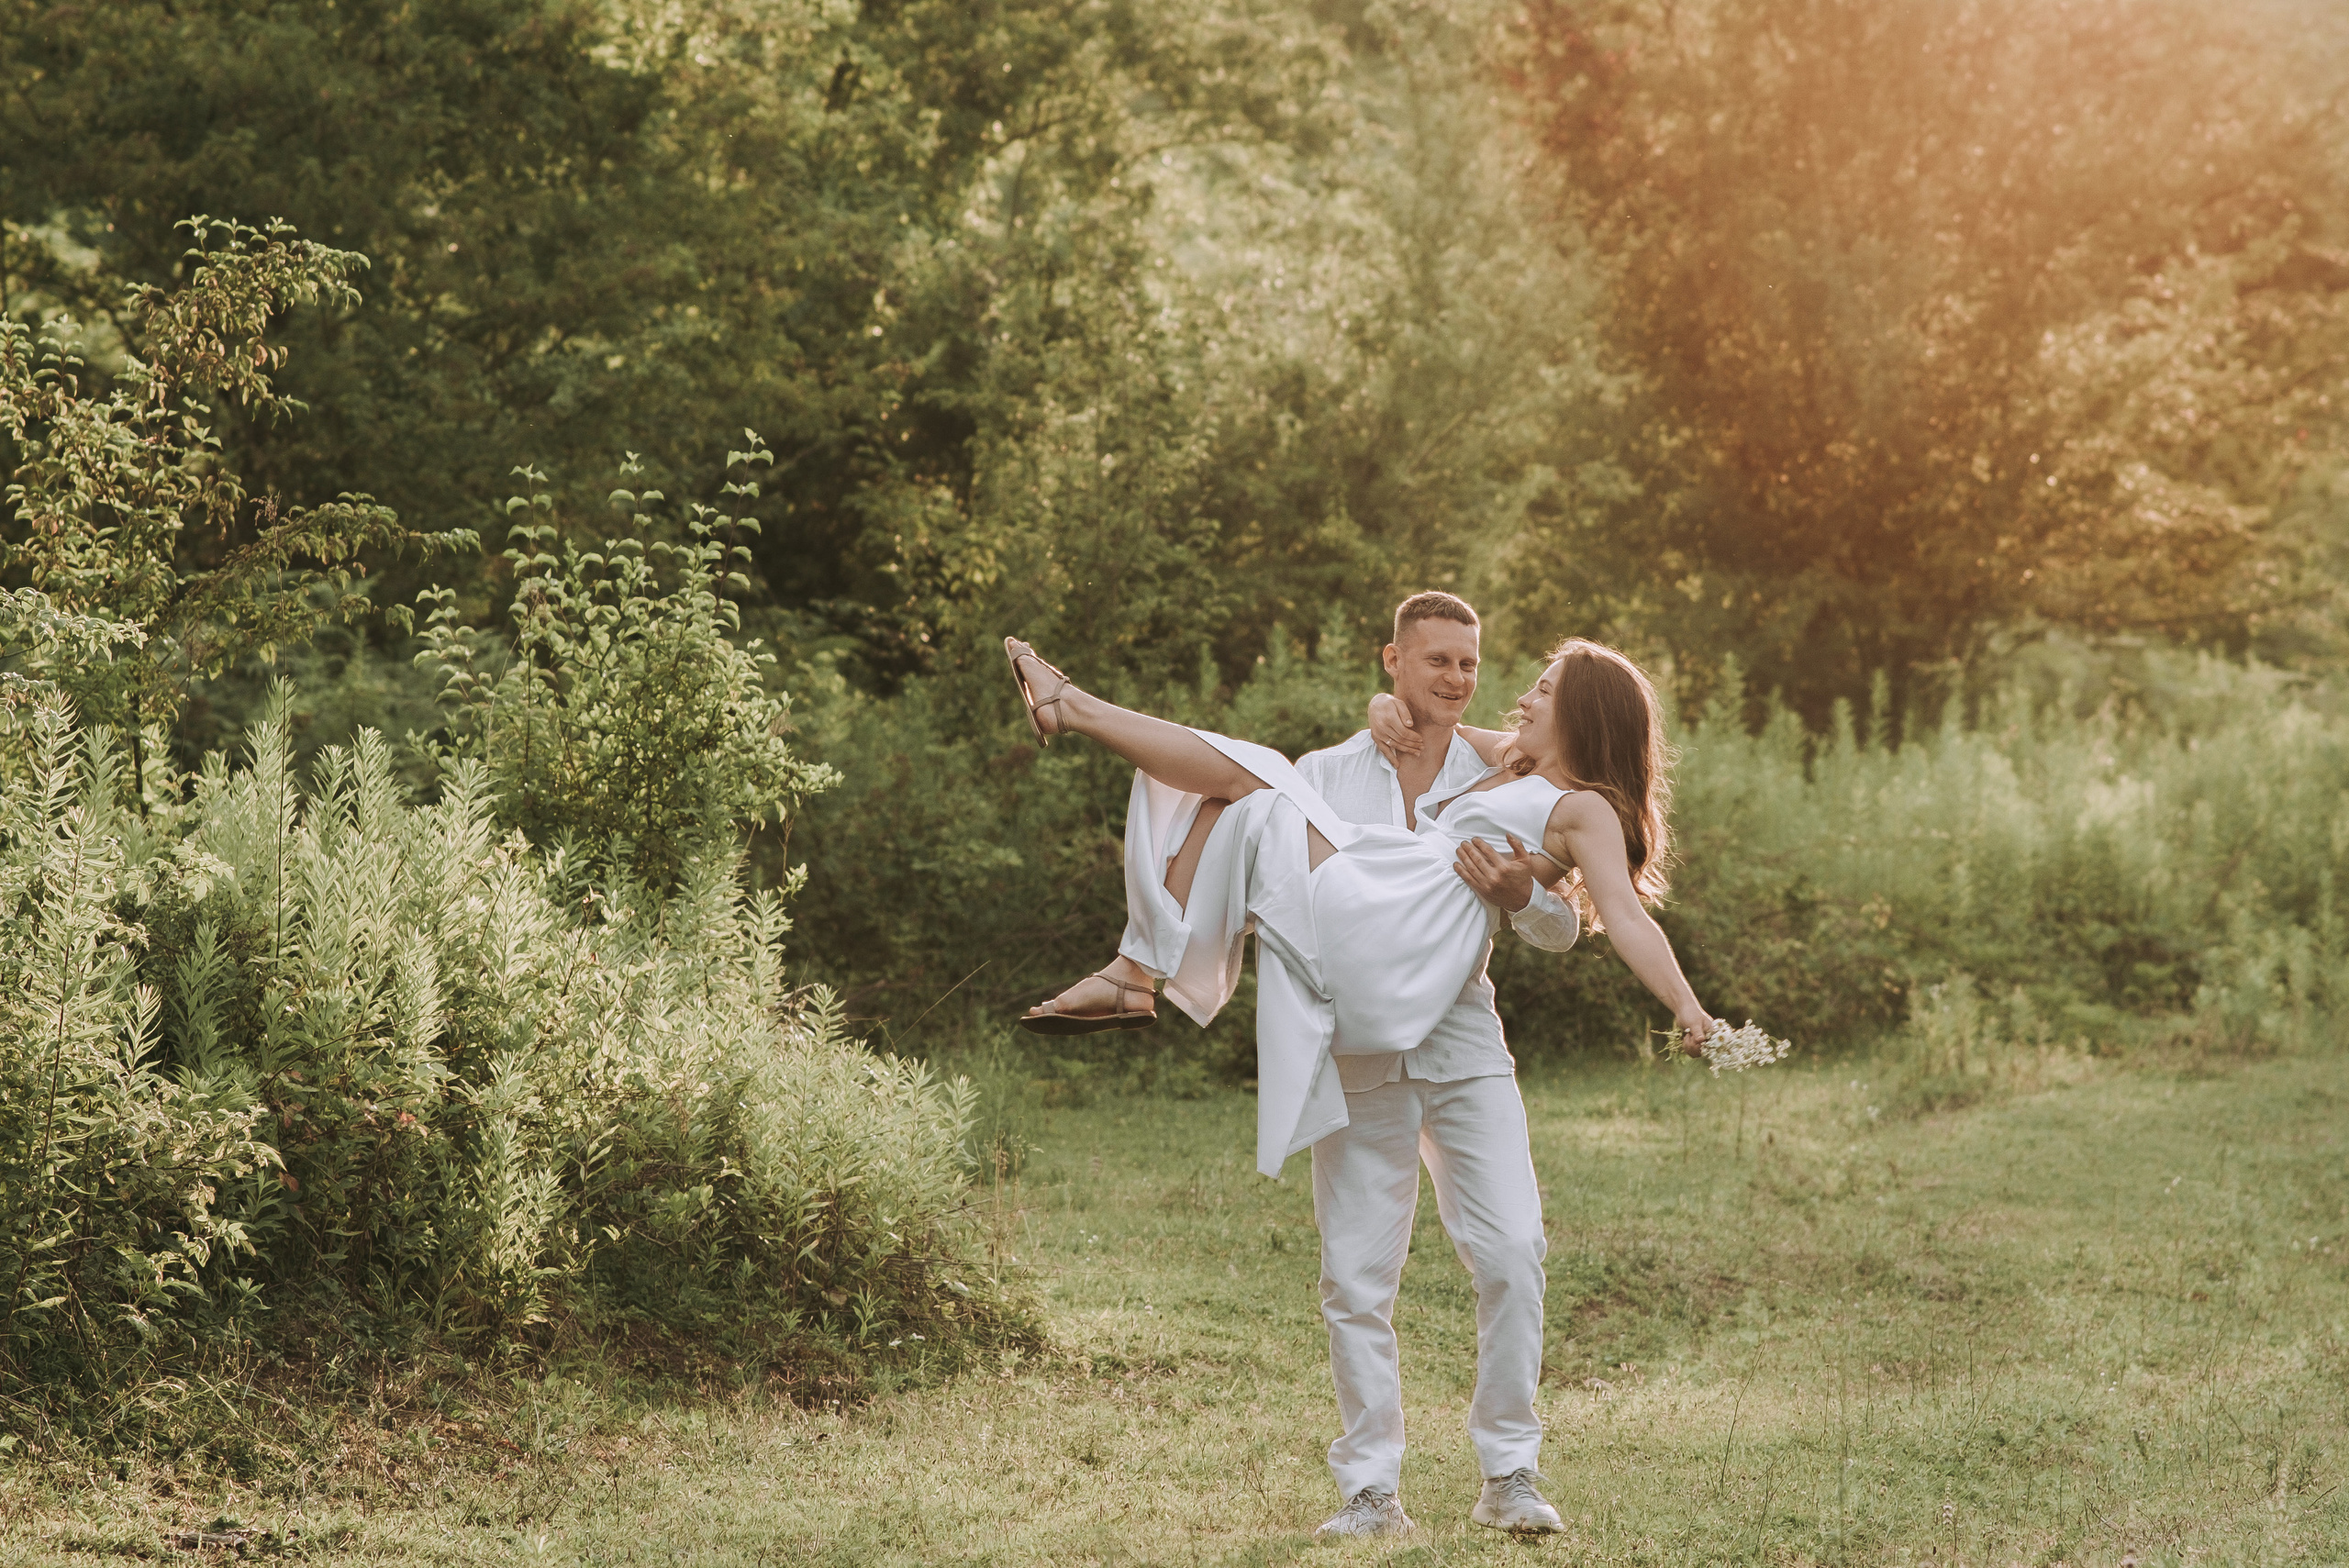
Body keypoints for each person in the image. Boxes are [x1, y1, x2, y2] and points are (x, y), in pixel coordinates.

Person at [1001, 615, 1720, 1539]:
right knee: (1354, 1273)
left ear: (1580, 714)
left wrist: (1675, 997)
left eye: (1537, 688)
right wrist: (1392, 709)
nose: (1504, 692)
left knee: (1511, 1253)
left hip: (1453, 1031)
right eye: (1447, 665)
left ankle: (1509, 1472)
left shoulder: (1565, 797)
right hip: (1359, 975)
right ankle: (1370, 1491)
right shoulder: (1451, 756)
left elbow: (1610, 916)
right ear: (1397, 661)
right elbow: (1429, 716)